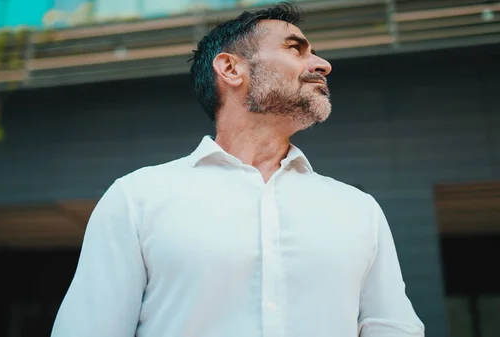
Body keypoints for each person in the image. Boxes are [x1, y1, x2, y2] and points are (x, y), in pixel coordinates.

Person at [50, 2, 425, 337]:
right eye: (296, 48)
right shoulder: (137, 198)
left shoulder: (359, 209)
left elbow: (393, 327)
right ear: (230, 68)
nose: (322, 64)